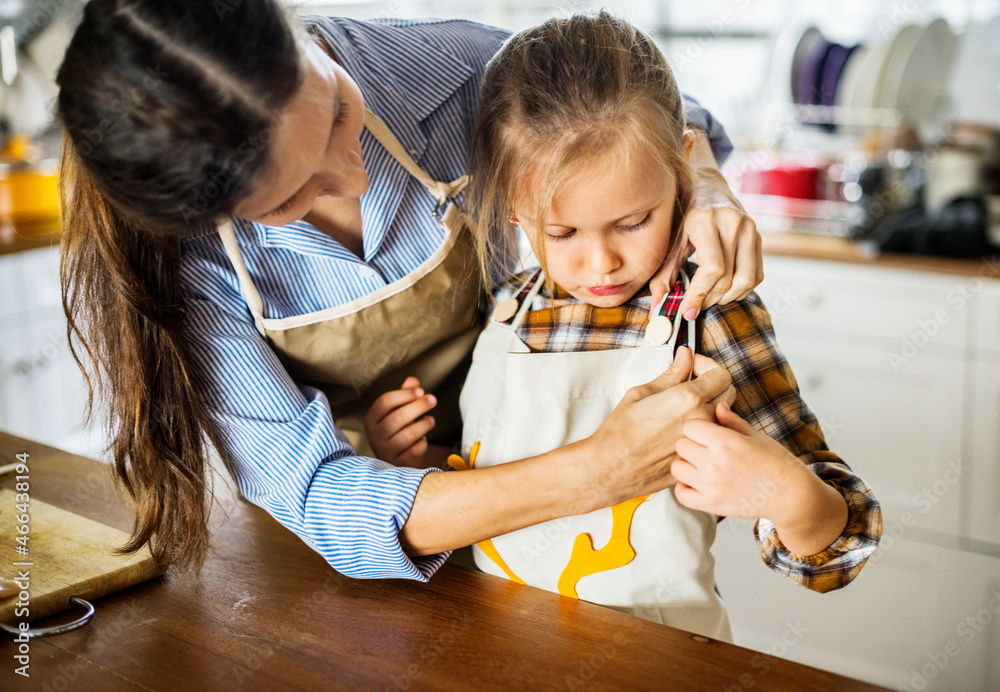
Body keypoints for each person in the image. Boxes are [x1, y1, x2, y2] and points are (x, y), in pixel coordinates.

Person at [56, 0, 761, 580]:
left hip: (551, 502)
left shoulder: (449, 70)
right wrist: (600, 468)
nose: (355, 177)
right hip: (375, 575)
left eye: (336, 111)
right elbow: (320, 498)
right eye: (291, 199)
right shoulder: (186, 263)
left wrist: (700, 177)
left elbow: (634, 99)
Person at [389, 13, 876, 640]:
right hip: (499, 652)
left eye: (633, 221)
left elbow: (842, 543)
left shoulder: (707, 316)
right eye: (561, 232)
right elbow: (494, 480)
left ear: (686, 171)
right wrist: (414, 457)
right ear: (510, 203)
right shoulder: (506, 304)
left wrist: (787, 496)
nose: (601, 264)